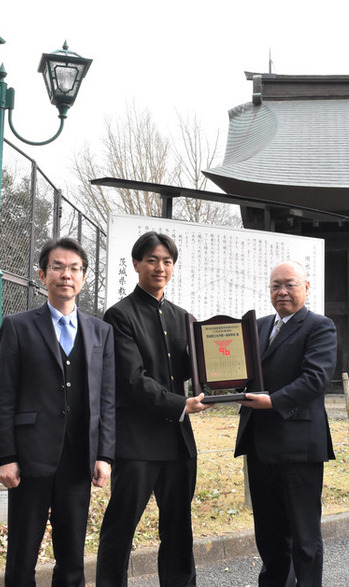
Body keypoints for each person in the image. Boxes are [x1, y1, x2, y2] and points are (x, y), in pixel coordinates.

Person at [0, 237, 115, 586]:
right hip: (30, 459)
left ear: (84, 277)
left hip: (79, 459)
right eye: (58, 267)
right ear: (42, 274)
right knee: (22, 556)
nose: (66, 275)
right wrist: (7, 455)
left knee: (72, 556)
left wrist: (104, 454)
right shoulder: (18, 326)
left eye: (75, 268)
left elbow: (106, 398)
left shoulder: (100, 332)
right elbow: (4, 396)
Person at [96, 231, 210, 587]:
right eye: (152, 260)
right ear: (136, 264)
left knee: (178, 529)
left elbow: (198, 369)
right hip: (137, 444)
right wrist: (181, 404)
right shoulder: (119, 315)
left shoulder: (183, 318)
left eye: (167, 261)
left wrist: (227, 377)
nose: (160, 268)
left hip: (178, 444)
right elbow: (133, 379)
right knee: (120, 529)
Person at [235, 260, 337, 587]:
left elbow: (315, 379)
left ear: (306, 288)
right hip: (260, 445)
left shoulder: (320, 327)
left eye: (290, 284)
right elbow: (240, 371)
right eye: (275, 285)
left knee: (305, 537)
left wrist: (273, 401)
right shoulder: (257, 327)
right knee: (268, 533)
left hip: (299, 448)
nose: (282, 292)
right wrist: (220, 388)